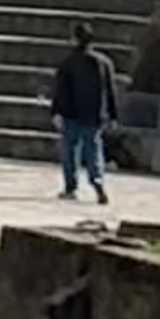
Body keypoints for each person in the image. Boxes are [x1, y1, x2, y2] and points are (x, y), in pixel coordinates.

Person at [52, 22, 118, 206]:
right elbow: (111, 91)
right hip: (95, 114)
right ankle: (97, 181)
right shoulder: (105, 63)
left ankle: (70, 187)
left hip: (72, 113)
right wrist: (113, 115)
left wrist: (57, 112)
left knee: (70, 150)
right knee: (93, 150)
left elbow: (61, 90)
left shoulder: (68, 63)